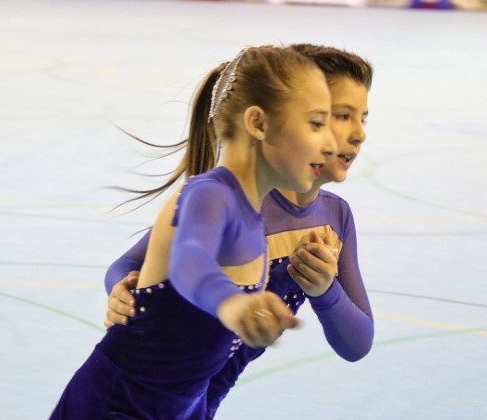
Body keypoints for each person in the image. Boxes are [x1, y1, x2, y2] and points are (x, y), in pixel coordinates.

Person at [51, 45, 336, 419]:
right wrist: (232, 304)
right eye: (316, 125)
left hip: (179, 408)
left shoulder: (253, 216)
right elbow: (191, 261)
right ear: (259, 124)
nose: (329, 144)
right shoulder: (210, 193)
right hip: (116, 403)